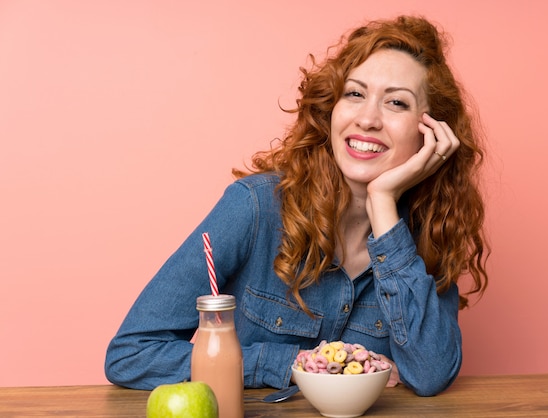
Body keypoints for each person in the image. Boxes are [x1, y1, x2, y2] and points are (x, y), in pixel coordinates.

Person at [105, 15, 489, 397]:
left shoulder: (422, 237)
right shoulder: (255, 208)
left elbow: (431, 374)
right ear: (330, 110)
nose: (368, 119)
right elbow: (131, 354)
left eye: (396, 103)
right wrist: (290, 364)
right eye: (354, 94)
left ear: (432, 134)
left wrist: (383, 201)